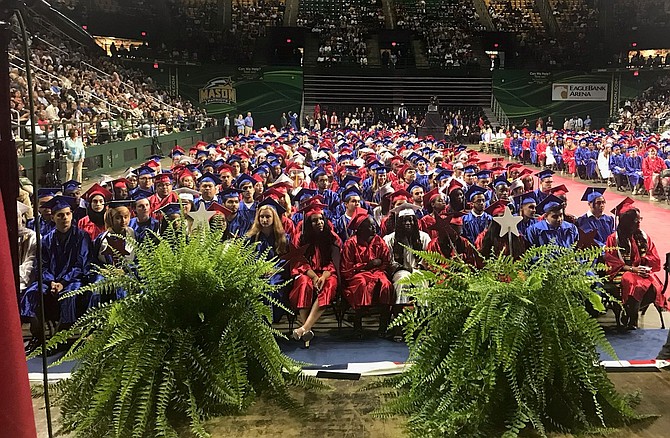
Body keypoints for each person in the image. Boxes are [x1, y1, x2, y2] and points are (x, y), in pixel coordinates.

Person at [21, 195, 92, 353]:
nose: (64, 218)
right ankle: (38, 337)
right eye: (60, 215)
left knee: (70, 294)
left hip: (74, 280)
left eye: (67, 214)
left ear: (72, 215)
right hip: (50, 282)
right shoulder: (46, 240)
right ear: (53, 218)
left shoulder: (82, 237)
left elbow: (81, 265)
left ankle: (63, 339)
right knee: (32, 293)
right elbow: (42, 267)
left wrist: (63, 282)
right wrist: (52, 282)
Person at [605, 198, 666, 329]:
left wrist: (644, 264)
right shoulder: (613, 239)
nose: (638, 222)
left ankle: (631, 312)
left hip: (641, 271)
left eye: (640, 219)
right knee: (633, 283)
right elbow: (611, 261)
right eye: (635, 220)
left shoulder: (643, 236)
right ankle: (632, 318)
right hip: (623, 271)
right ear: (627, 222)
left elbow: (653, 256)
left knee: (654, 286)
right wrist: (633, 269)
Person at [289, 205, 341, 348]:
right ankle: (307, 332)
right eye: (314, 220)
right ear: (308, 224)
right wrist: (312, 276)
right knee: (304, 284)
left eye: (321, 219)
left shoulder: (332, 238)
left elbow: (334, 262)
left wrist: (323, 276)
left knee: (329, 284)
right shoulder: (300, 238)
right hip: (305, 272)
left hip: (326, 273)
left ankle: (304, 329)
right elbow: (298, 261)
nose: (319, 222)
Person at [340, 208, 394, 338]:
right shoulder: (351, 244)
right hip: (357, 276)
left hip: (378, 273)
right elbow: (346, 269)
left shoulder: (378, 241)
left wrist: (378, 268)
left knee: (386, 284)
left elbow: (385, 261)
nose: (374, 228)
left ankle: (383, 325)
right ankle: (358, 326)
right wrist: (366, 265)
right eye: (370, 226)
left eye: (374, 225)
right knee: (361, 284)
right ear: (361, 229)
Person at [246, 198, 290, 323]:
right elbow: (247, 258)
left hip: (276, 274)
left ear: (274, 218)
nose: (264, 220)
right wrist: (258, 269)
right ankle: (257, 322)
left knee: (271, 286)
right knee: (255, 286)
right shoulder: (251, 237)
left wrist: (274, 269)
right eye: (262, 217)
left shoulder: (283, 238)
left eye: (268, 217)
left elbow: (286, 260)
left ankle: (269, 321)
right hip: (256, 272)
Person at [91, 200, 136, 305]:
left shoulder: (134, 235)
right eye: (118, 217)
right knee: (97, 289)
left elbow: (139, 260)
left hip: (129, 273)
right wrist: (102, 270)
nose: (123, 221)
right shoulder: (101, 239)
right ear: (111, 219)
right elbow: (92, 261)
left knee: (124, 289)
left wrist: (126, 270)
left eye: (126, 217)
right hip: (105, 273)